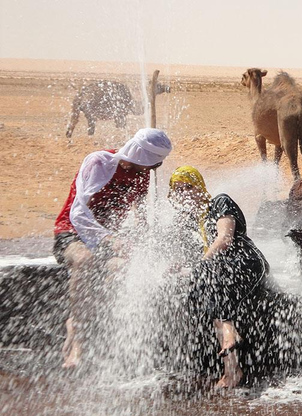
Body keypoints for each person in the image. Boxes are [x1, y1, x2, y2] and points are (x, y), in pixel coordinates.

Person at [53, 128, 173, 368]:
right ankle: (76, 335)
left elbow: (139, 213)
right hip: (71, 231)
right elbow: (78, 213)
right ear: (136, 153)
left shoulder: (142, 174)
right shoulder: (99, 162)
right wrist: (110, 240)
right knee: (85, 260)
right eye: (145, 164)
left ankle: (104, 334)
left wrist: (146, 241)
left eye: (151, 166)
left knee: (122, 267)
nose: (147, 170)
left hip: (107, 239)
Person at [168, 166, 270, 389]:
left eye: (189, 187)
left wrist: (200, 266)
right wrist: (180, 269)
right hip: (220, 273)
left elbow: (225, 238)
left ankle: (230, 336)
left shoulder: (219, 202)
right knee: (205, 288)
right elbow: (198, 262)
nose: (184, 193)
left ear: (200, 188)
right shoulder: (189, 223)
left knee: (206, 278)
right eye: (178, 190)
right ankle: (232, 369)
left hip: (246, 262)